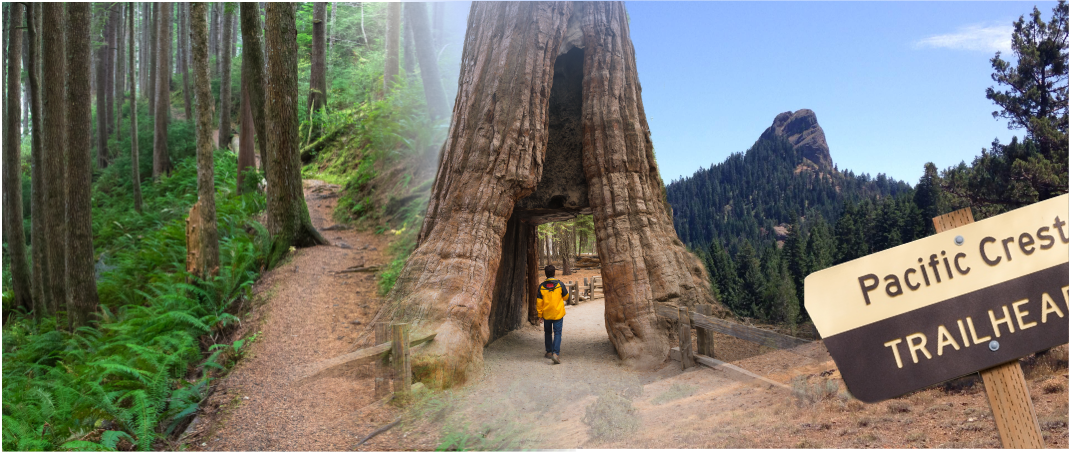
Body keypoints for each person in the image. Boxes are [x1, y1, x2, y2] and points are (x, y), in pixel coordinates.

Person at [537, 264, 569, 364]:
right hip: (558, 314)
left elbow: (539, 302)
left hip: (547, 314)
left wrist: (540, 315)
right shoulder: (560, 284)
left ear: (545, 274)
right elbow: (566, 297)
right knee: (557, 333)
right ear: (554, 273)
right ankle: (556, 353)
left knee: (547, 332)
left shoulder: (541, 286)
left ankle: (549, 352)